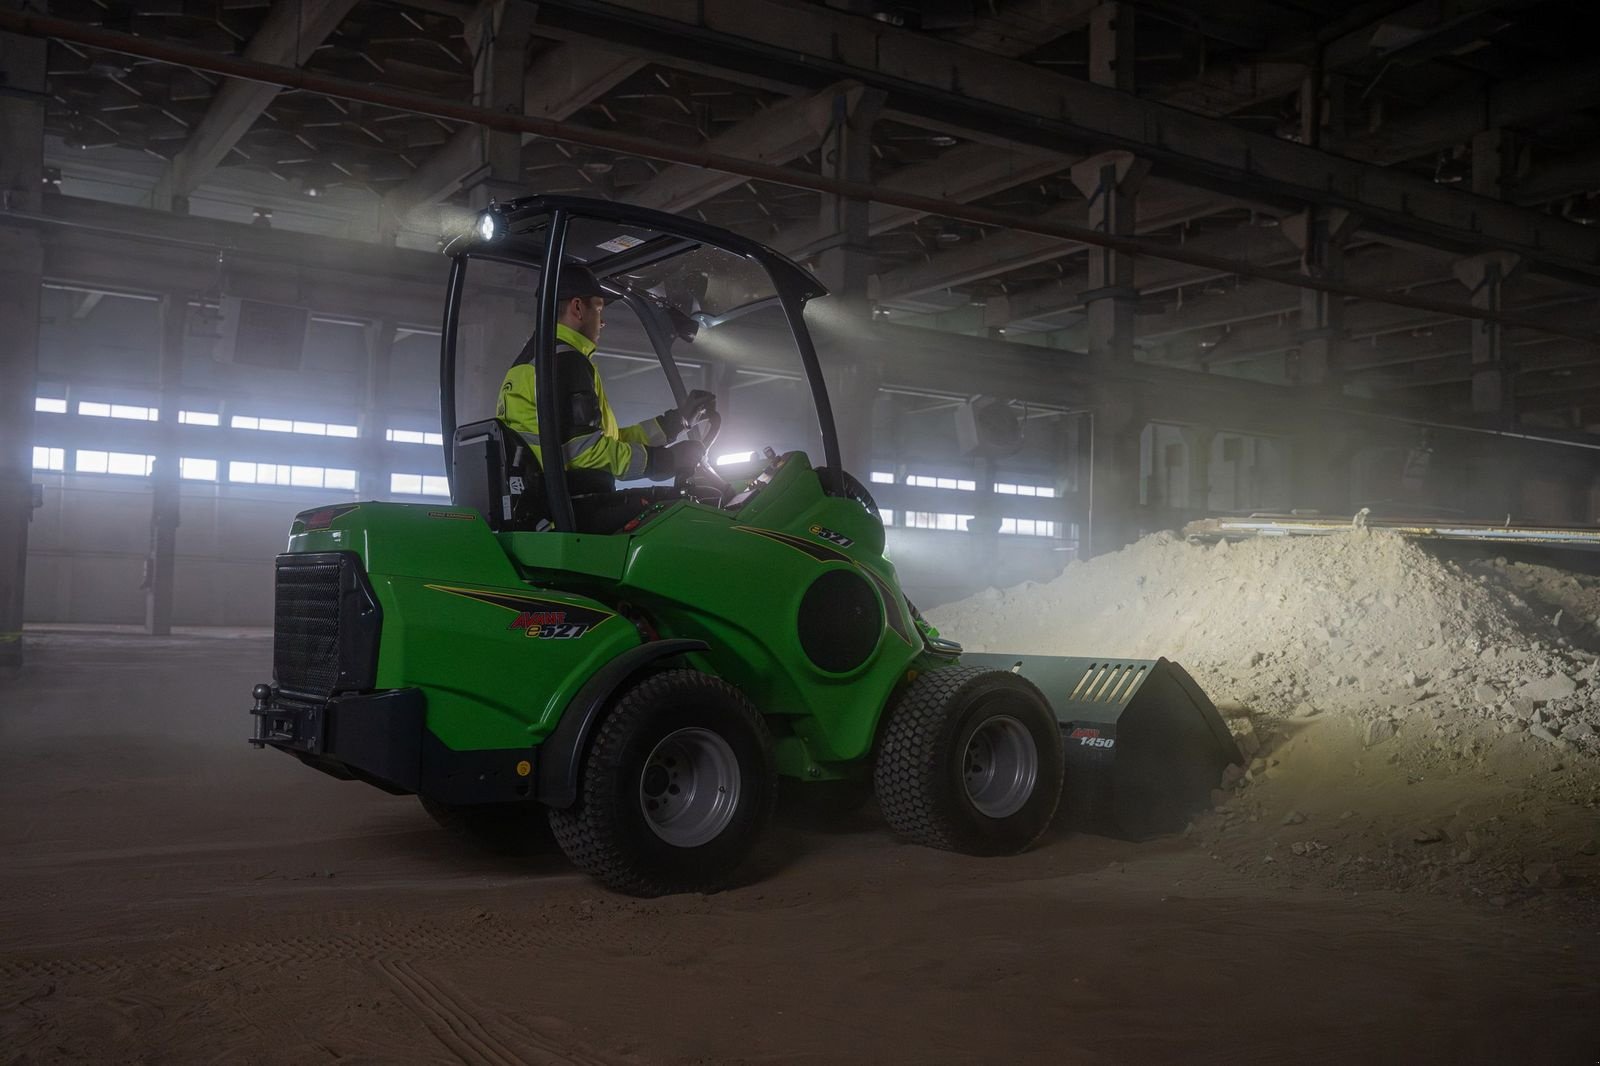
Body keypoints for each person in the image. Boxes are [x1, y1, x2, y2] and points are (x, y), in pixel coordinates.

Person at [497, 264, 714, 488]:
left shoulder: (533, 360)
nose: (602, 322)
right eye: (599, 309)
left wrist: (674, 423)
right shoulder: (565, 362)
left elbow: (601, 444)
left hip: (550, 503)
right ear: (578, 308)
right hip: (573, 509)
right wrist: (665, 461)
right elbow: (586, 454)